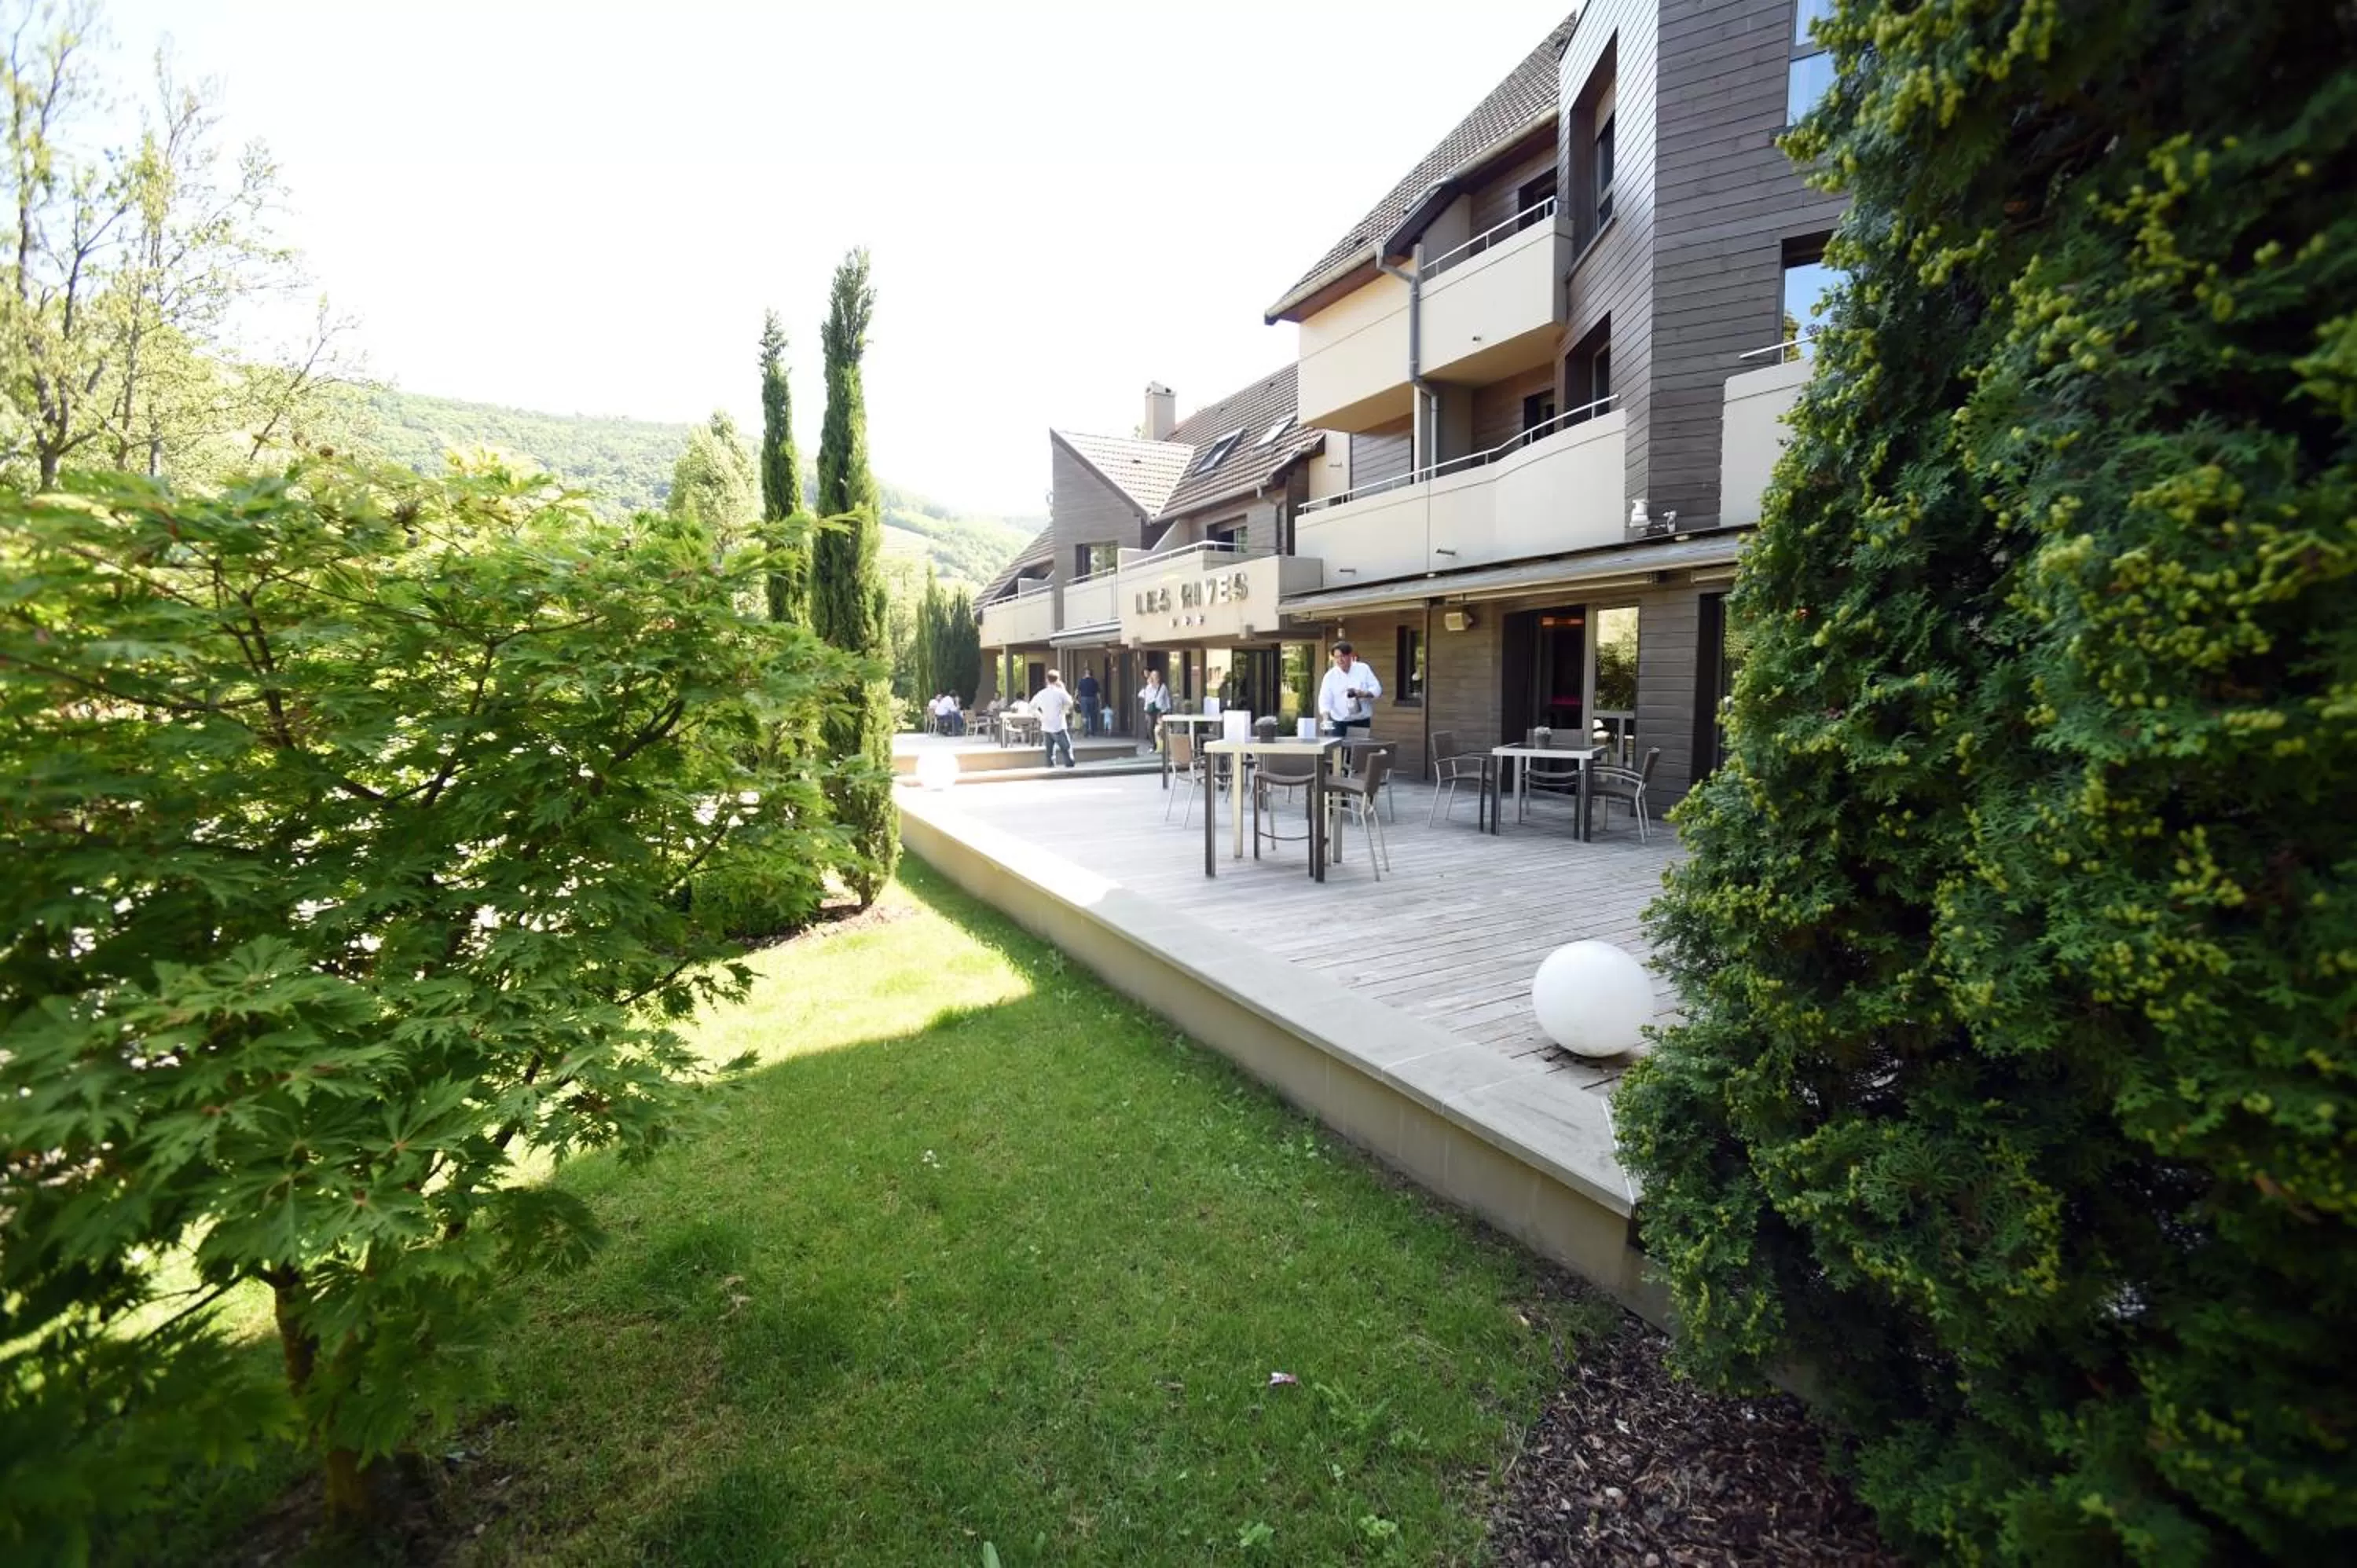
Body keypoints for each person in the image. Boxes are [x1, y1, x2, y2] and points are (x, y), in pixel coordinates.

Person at [1318, 640, 1383, 736]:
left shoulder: (1363, 669)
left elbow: (1377, 689)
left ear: (1350, 655)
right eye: (1336, 657)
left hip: (1360, 720)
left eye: (1342, 656)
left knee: (1357, 750)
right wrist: (1326, 719)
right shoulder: (1330, 676)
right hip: (1339, 721)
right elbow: (1325, 699)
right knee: (1338, 750)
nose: (1340, 660)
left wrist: (1363, 694)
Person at [1032, 669, 1078, 768]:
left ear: (1047, 680)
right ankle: (1070, 768)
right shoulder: (1061, 693)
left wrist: (1041, 717)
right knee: (1067, 749)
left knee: (1049, 753)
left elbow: (1031, 708)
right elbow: (1070, 702)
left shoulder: (1041, 693)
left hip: (1046, 725)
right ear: (1058, 680)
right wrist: (1064, 711)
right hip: (1059, 725)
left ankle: (1050, 768)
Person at [1138, 667, 1171, 759]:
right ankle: (1154, 745)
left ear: (1159, 677)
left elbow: (1166, 698)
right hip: (1151, 710)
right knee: (1150, 728)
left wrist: (1168, 709)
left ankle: (1162, 746)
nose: (1155, 678)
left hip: (1161, 710)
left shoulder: (1163, 687)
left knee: (1161, 729)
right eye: (1153, 676)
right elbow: (1142, 695)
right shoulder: (1148, 687)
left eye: (1156, 676)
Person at [1076, 667, 1101, 736]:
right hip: (1092, 699)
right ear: (1092, 674)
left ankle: (1085, 732)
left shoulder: (1081, 681)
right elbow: (1098, 693)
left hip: (1084, 699)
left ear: (1086, 673)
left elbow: (1078, 690)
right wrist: (1100, 701)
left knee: (1085, 716)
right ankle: (1093, 732)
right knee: (1093, 715)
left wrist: (1076, 699)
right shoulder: (1095, 681)